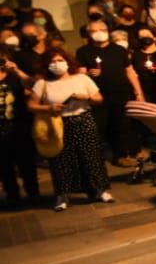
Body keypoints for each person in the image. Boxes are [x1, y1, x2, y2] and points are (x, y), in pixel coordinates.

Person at [29, 48, 114, 210]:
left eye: (60, 60)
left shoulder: (82, 79)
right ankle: (62, 195)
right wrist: (49, 108)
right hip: (58, 123)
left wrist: (86, 98)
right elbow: (31, 105)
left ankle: (100, 189)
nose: (56, 64)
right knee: (60, 160)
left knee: (91, 156)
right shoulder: (43, 83)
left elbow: (98, 99)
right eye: (52, 62)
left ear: (68, 61)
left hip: (83, 119)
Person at [77, 18, 138, 166]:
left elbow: (130, 71)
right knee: (99, 127)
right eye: (94, 31)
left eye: (102, 30)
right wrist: (90, 74)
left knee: (122, 125)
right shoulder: (84, 51)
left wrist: (138, 91)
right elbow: (80, 74)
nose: (99, 33)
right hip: (98, 95)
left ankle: (122, 155)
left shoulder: (119, 50)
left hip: (121, 93)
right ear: (88, 34)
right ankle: (96, 159)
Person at [0, 47, 40, 206]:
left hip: (19, 125)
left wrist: (16, 71)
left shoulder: (14, 76)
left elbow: (33, 85)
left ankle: (33, 193)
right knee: (4, 165)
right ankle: (12, 194)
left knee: (26, 163)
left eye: (2, 58)